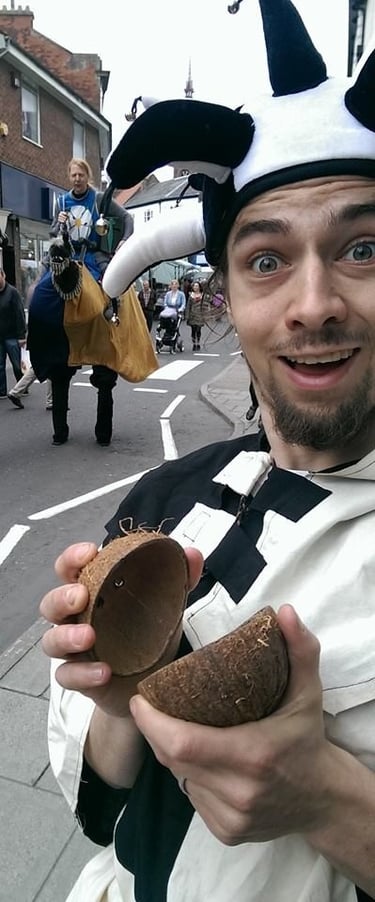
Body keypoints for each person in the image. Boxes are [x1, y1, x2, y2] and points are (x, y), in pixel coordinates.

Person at [39, 2, 375, 900]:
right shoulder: (162, 495)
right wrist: (117, 702)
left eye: (363, 247)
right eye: (265, 259)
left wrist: (330, 800)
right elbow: (100, 809)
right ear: (225, 293)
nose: (312, 303)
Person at [28, 158, 134, 445]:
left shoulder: (99, 199)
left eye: (80, 174)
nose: (76, 178)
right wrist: (56, 225)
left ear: (87, 176)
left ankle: (110, 327)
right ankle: (59, 427)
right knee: (41, 297)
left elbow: (127, 219)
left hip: (93, 259)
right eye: (72, 174)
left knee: (108, 295)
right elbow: (54, 236)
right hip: (66, 259)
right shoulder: (60, 202)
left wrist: (124, 242)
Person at [0, 268, 26, 398]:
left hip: (12, 335)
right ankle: (1, 390)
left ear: (3, 275)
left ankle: (22, 387)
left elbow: (20, 314)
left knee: (17, 365)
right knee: (0, 365)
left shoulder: (12, 292)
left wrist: (22, 336)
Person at [185, 280, 204, 350]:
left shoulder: (202, 295)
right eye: (194, 286)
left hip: (200, 315)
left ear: (199, 287)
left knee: (198, 330)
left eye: (197, 286)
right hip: (192, 315)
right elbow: (188, 306)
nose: (195, 287)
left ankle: (198, 342)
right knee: (193, 330)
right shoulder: (191, 296)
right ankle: (194, 343)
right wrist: (187, 315)